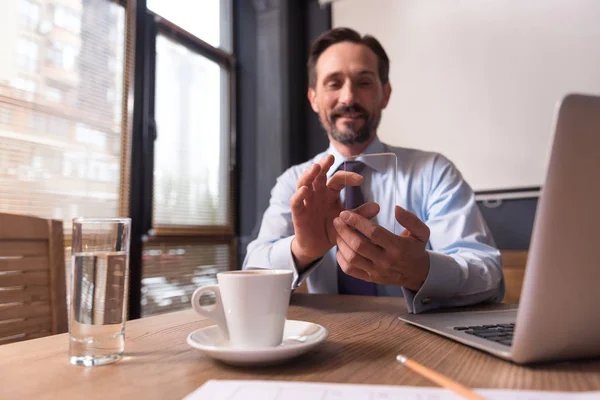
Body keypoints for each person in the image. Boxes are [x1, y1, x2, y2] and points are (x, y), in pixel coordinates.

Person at [243, 27, 504, 313]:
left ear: (385, 94)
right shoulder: (293, 182)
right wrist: (302, 250)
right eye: (333, 83)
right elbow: (251, 274)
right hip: (324, 344)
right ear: (314, 98)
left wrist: (421, 270)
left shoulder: (434, 173)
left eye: (364, 82)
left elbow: (489, 275)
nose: (348, 98)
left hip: (423, 341)